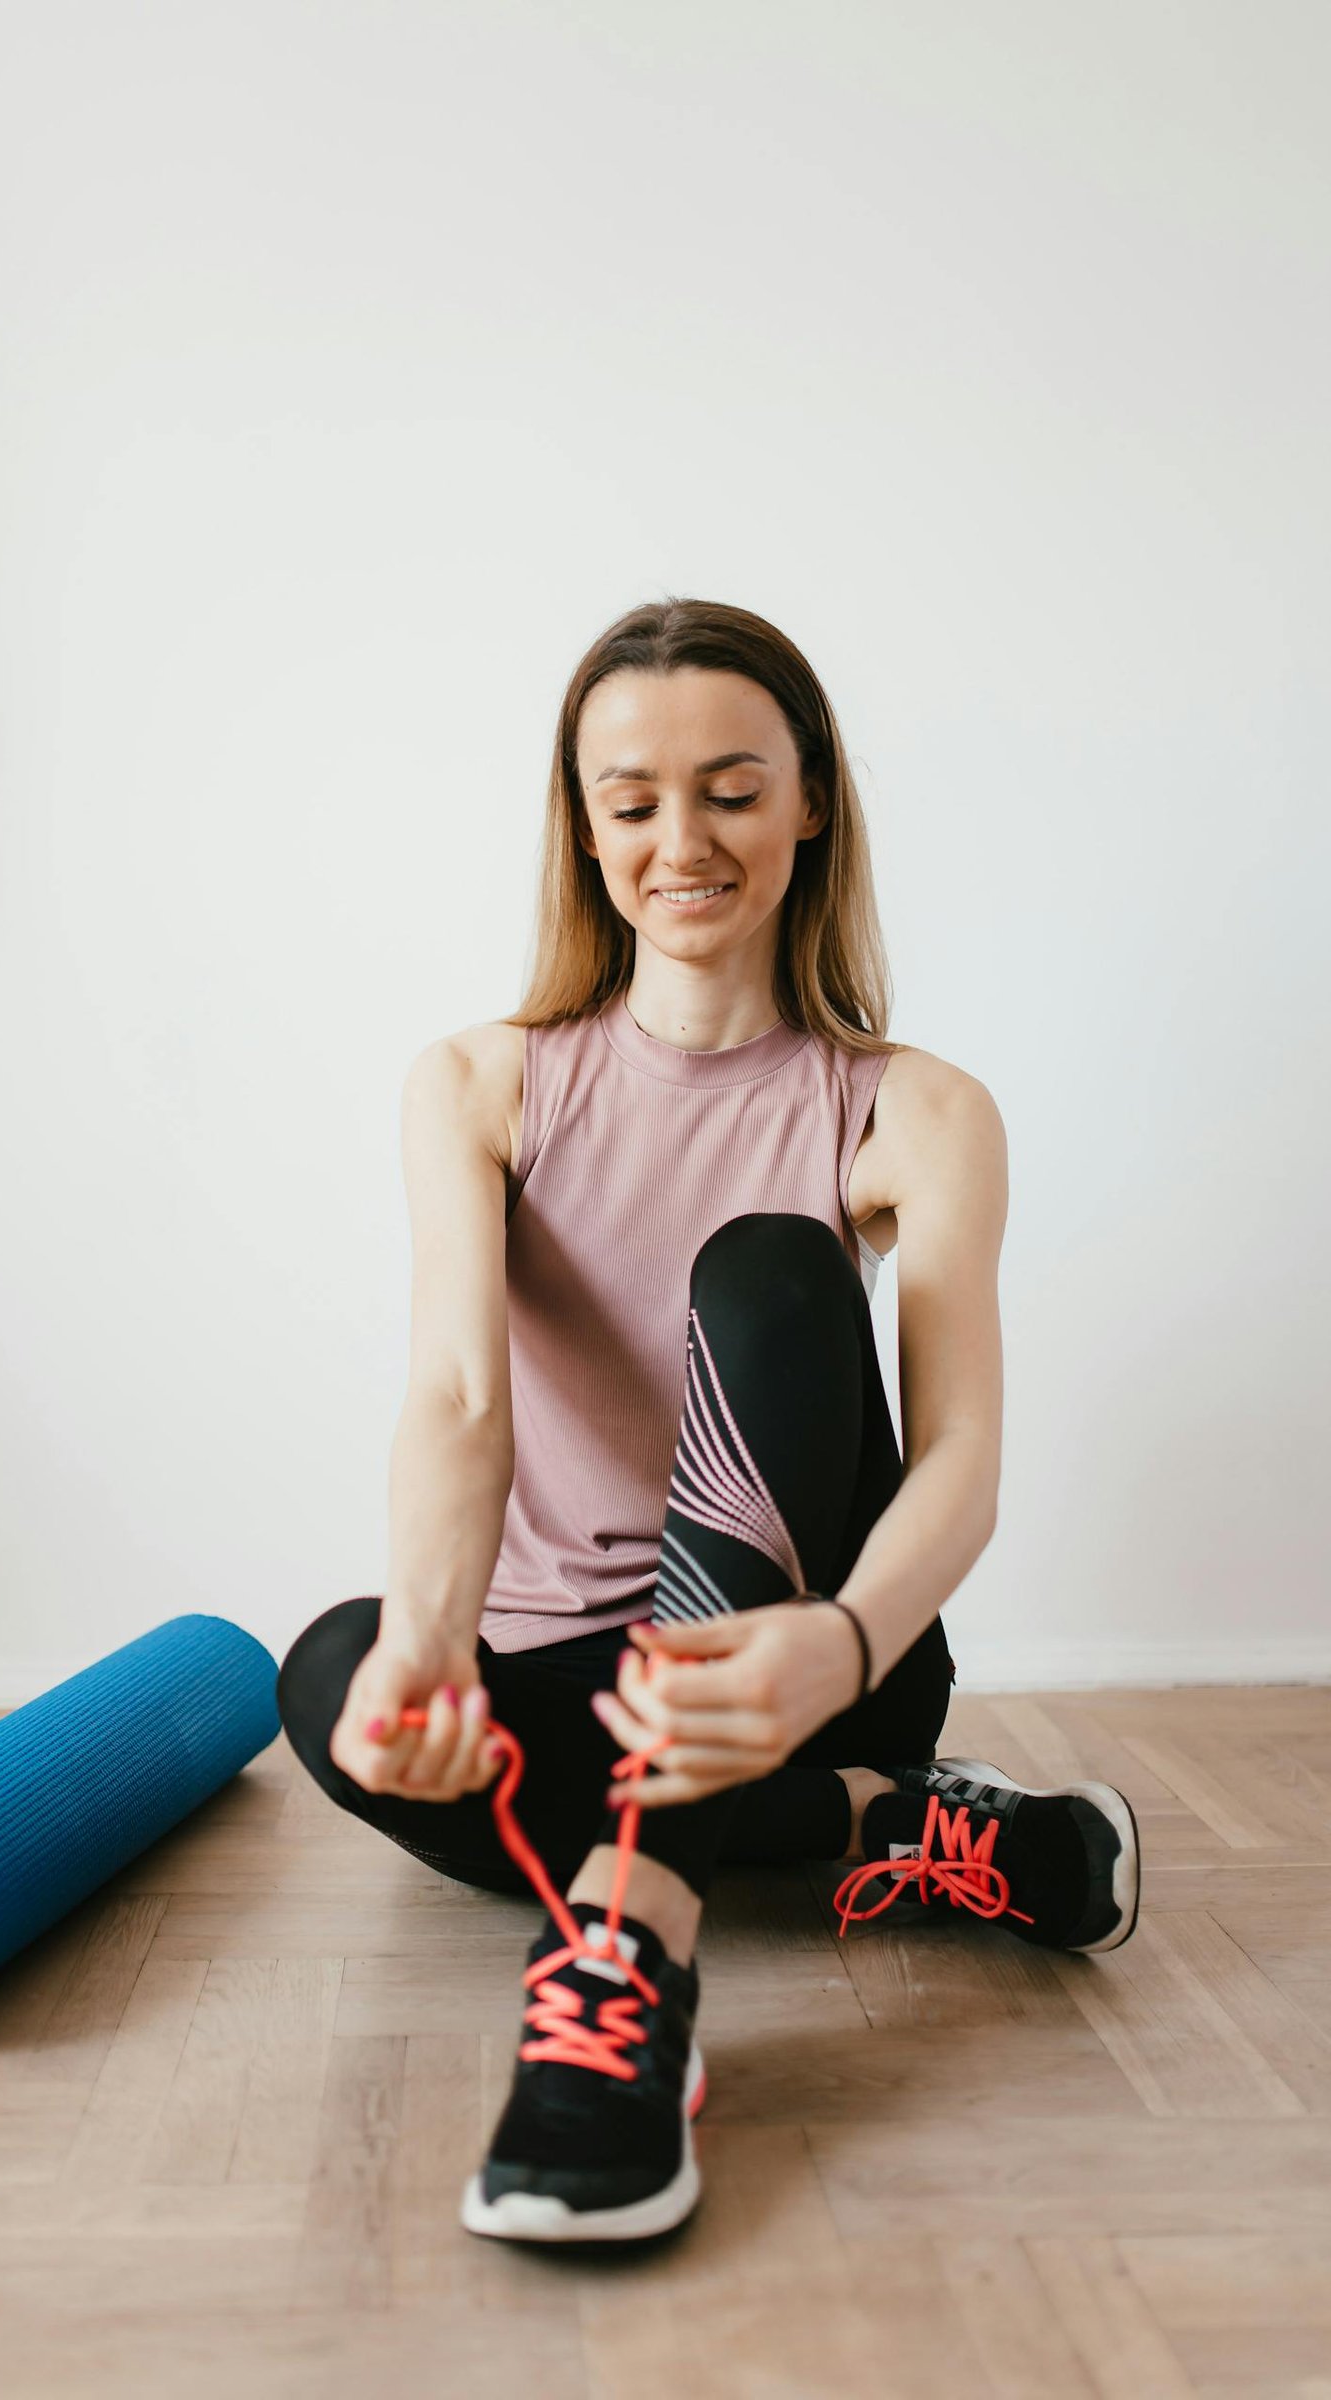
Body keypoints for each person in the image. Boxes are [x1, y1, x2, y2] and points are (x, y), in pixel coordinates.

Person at [277, 596, 1140, 2247]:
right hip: (561, 1667)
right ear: (582, 823)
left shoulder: (918, 1110)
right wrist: (431, 1649)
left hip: (801, 1661)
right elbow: (461, 1397)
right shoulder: (478, 1083)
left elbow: (960, 1452)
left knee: (769, 1270)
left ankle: (622, 1969)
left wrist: (849, 1642)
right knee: (331, 1677)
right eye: (636, 800)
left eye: (734, 790)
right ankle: (899, 1825)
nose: (685, 840)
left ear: (811, 799)